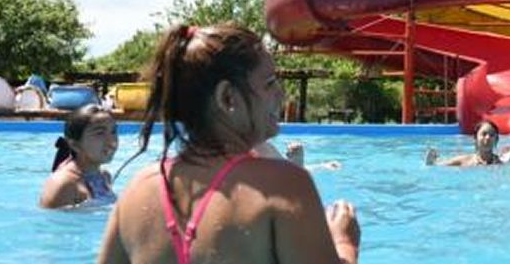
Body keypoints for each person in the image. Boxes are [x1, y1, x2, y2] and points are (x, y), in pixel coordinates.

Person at [95, 24, 361, 264]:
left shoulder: (137, 191)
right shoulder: (283, 186)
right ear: (228, 98)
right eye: (269, 84)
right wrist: (344, 243)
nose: (281, 94)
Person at [39, 104, 119, 208]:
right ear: (75, 144)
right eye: (100, 133)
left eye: (113, 132)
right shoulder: (64, 185)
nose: (112, 141)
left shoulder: (104, 177)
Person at [425, 120, 510, 167]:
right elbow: (437, 165)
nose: (488, 138)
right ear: (475, 138)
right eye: (484, 134)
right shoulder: (464, 161)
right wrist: (432, 162)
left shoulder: (500, 164)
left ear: (496, 139)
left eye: (492, 135)